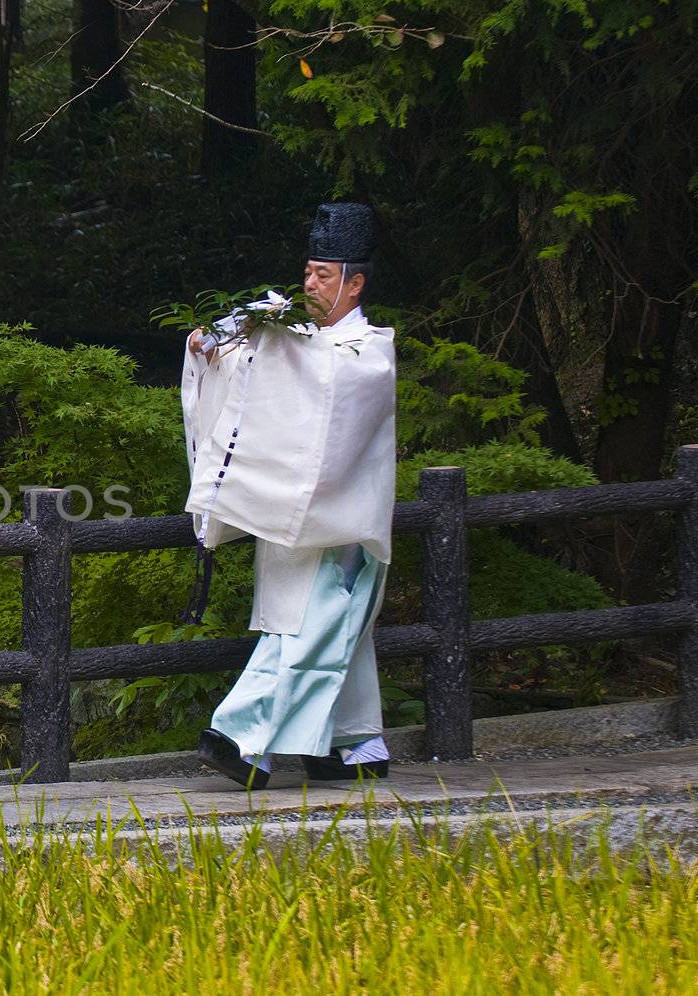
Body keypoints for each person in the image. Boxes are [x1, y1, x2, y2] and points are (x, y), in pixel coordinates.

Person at [181, 202, 397, 789]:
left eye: (324, 275)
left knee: (309, 624)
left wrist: (265, 341)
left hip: (338, 519)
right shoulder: (296, 340)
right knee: (323, 626)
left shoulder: (369, 353)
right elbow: (260, 374)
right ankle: (352, 743)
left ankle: (243, 740)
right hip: (288, 509)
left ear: (356, 284)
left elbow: (323, 391)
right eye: (308, 272)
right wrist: (216, 347)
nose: (309, 283)